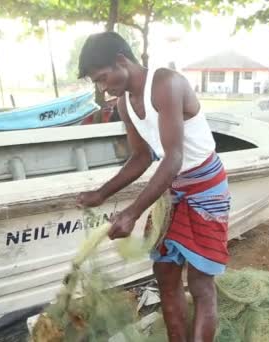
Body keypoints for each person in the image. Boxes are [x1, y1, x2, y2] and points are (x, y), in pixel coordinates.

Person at [75, 31, 230, 341]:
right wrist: (101, 193)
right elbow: (142, 157)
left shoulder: (165, 84)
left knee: (200, 284)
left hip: (205, 188)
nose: (104, 88)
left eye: (104, 77)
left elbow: (173, 158)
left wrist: (132, 212)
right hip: (170, 191)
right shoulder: (124, 103)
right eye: (98, 83)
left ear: (122, 61)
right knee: (166, 276)